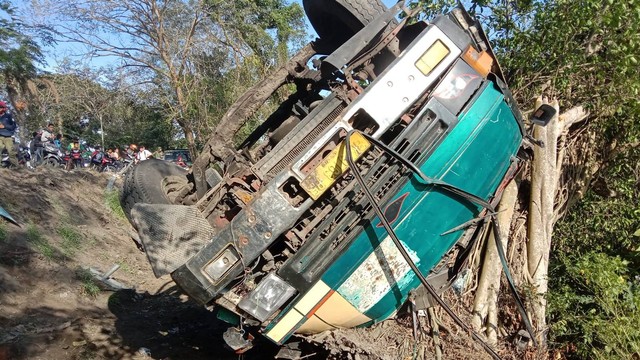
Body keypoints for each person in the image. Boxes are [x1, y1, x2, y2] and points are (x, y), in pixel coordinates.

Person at [0, 101, 17, 167]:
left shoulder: (8, 116)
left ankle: (15, 166)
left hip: (8, 136)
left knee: (11, 151)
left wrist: (4, 126)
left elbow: (13, 126)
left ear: (4, 108)